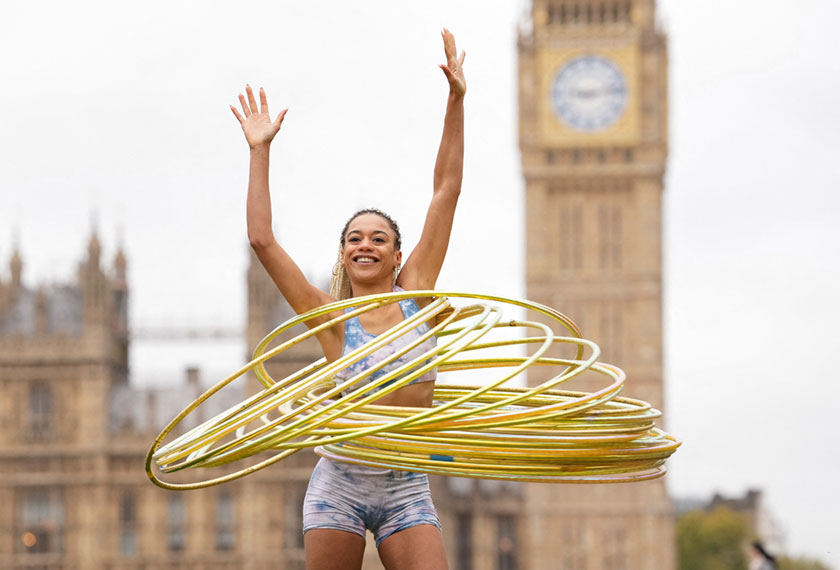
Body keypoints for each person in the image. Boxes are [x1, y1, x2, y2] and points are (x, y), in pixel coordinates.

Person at [230, 29, 466, 570]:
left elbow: (446, 190)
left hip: (406, 486)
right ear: (343, 256)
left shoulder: (418, 296)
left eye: (377, 238)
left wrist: (456, 100)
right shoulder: (332, 323)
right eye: (354, 239)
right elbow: (262, 239)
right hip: (339, 485)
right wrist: (259, 150)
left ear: (397, 252)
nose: (365, 244)